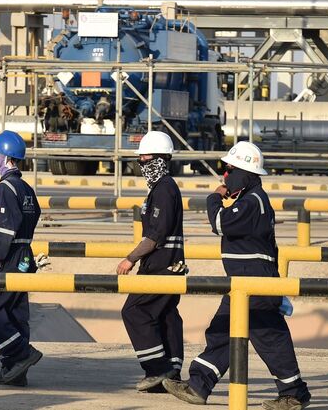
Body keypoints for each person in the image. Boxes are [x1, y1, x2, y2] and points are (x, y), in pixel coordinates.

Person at [163, 141, 311, 410]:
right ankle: (198, 385)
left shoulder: (253, 202)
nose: (226, 176)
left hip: (254, 284)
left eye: (229, 170)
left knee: (270, 339)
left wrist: (214, 197)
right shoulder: (249, 200)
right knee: (221, 332)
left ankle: (294, 394)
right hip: (243, 284)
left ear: (244, 173)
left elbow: (220, 223)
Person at [119, 130, 187, 392]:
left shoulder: (164, 190)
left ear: (159, 160)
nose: (142, 164)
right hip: (164, 264)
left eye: (145, 159)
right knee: (165, 315)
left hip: (161, 266)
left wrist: (130, 258)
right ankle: (171, 372)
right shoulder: (161, 189)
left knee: (134, 311)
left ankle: (157, 369)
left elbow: (155, 235)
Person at [0, 130, 42, 387]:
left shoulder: (5, 187)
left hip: (11, 257)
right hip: (25, 255)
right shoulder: (25, 187)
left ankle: (21, 355)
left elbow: (4, 229)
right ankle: (15, 372)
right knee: (15, 313)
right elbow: (34, 215)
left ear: (4, 156)